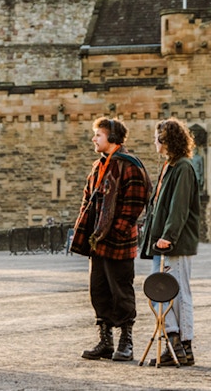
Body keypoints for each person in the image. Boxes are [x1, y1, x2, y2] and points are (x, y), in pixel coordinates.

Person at [70, 117, 152, 362]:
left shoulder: (130, 165)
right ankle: (105, 341)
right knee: (99, 290)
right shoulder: (99, 165)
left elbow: (135, 203)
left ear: (112, 137)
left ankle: (126, 342)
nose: (94, 139)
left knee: (121, 290)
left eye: (98, 135)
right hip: (98, 240)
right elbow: (88, 199)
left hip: (118, 241)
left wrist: (116, 231)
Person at [140, 118, 200, 366]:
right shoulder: (169, 166)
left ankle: (182, 345)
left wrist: (168, 236)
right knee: (159, 294)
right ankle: (174, 341)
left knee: (178, 293)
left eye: (157, 138)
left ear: (166, 141)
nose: (155, 142)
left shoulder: (183, 168)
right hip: (160, 242)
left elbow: (179, 207)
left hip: (173, 243)